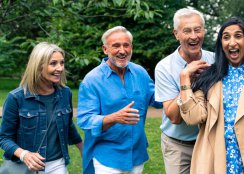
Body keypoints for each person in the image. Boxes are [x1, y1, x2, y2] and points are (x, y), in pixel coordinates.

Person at [178, 17, 244, 174]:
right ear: (221, 45)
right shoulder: (209, 77)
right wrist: (185, 79)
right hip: (215, 159)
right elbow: (193, 117)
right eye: (226, 37)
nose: (232, 43)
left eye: (238, 36)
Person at [76, 26, 162, 174]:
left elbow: (158, 99)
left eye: (126, 45)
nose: (122, 51)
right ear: (105, 49)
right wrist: (113, 118)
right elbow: (85, 120)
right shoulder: (92, 80)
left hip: (136, 154)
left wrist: (183, 83)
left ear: (131, 47)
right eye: (116, 46)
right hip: (107, 158)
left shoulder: (140, 72)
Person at [0, 42, 83, 173]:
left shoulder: (65, 93)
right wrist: (24, 154)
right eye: (53, 63)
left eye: (62, 63)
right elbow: (4, 138)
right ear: (38, 66)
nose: (60, 68)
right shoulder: (16, 98)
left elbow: (68, 125)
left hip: (57, 165)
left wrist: (83, 148)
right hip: (25, 166)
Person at [154, 7, 214, 174]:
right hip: (178, 145)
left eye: (197, 30)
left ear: (204, 31)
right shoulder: (164, 67)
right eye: (187, 31)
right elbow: (173, 117)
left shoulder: (215, 60)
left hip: (209, 141)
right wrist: (186, 78)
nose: (193, 36)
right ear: (176, 34)